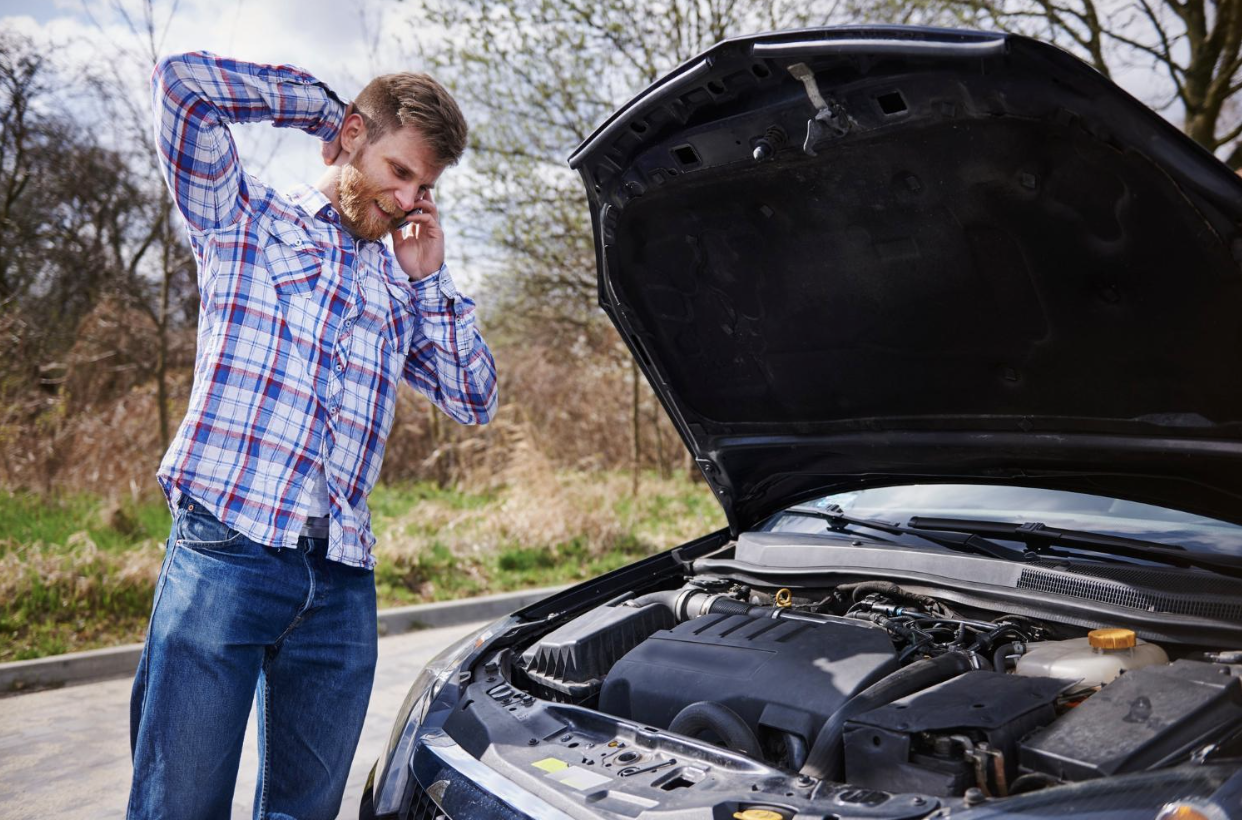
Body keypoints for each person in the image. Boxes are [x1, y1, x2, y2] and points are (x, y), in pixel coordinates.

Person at [127, 52, 497, 819]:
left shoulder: (400, 285)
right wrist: (320, 109)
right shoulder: (243, 217)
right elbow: (182, 88)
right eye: (398, 172)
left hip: (341, 576)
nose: (406, 200)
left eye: (424, 187)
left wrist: (430, 281)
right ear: (355, 136)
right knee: (179, 804)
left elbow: (475, 395)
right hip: (228, 549)